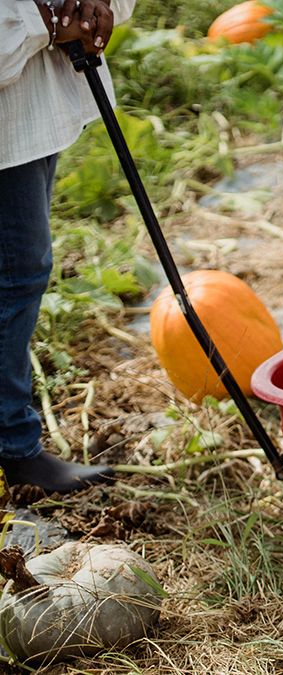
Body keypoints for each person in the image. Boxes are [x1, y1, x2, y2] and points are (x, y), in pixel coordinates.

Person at [1, 0, 133, 492]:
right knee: (14, 278)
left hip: (25, 108)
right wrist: (46, 20)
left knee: (18, 273)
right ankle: (12, 448)